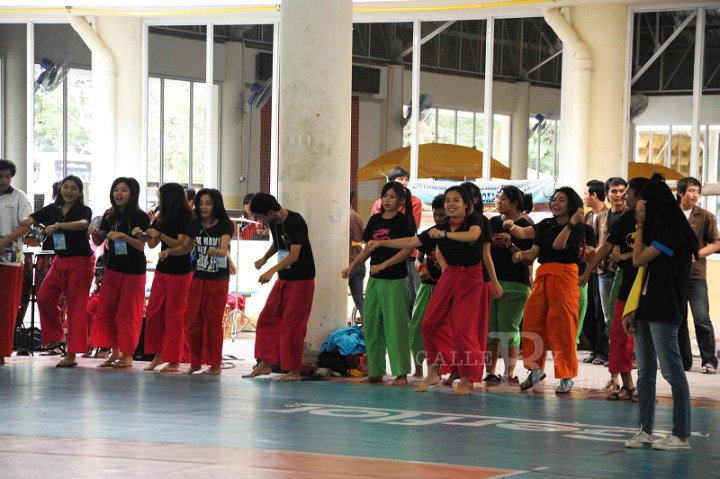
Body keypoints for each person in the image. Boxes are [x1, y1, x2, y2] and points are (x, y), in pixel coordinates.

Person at [371, 186, 487, 396]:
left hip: (471, 277)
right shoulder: (441, 226)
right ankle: (434, 370)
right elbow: (412, 242)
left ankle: (467, 377)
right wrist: (382, 243)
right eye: (448, 201)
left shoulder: (474, 220)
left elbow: (473, 236)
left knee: (462, 328)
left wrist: (444, 235)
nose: (450, 204)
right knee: (428, 323)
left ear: (467, 204)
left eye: (456, 200)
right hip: (450, 274)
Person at [623, 177, 697, 451]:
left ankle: (681, 434)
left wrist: (640, 224)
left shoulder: (673, 233)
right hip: (646, 306)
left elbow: (638, 258)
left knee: (671, 370)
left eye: (637, 198)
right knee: (645, 372)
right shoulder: (660, 229)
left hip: (665, 307)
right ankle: (645, 430)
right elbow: (643, 270)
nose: (635, 203)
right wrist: (633, 308)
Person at [580, 177, 649, 400]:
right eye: (617, 191)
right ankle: (626, 384)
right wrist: (587, 271)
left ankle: (647, 386)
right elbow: (605, 247)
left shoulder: (659, 220)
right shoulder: (625, 218)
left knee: (648, 337)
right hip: (625, 280)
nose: (622, 196)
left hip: (651, 284)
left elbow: (656, 250)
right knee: (618, 331)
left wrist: (627, 255)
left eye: (626, 192)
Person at [512, 187, 585, 394]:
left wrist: (571, 223)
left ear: (571, 204)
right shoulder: (544, 225)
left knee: (562, 327)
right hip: (543, 275)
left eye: (561, 200)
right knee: (532, 321)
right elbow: (534, 253)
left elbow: (559, 245)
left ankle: (566, 375)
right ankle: (535, 370)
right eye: (554, 199)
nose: (556, 203)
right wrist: (519, 254)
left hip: (565, 275)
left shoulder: (578, 227)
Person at [342, 182, 413, 385]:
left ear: (401, 201)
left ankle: (401, 373)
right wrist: (352, 265)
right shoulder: (374, 220)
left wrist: (384, 265)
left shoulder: (404, 221)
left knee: (396, 326)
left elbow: (407, 250)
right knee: (372, 325)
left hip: (396, 280)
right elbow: (367, 249)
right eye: (385, 196)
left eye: (392, 196)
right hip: (374, 280)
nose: (388, 200)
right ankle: (375, 371)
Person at [21, 175, 94, 368]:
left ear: (79, 192)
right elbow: (32, 218)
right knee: (44, 297)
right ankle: (55, 337)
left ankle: (72, 353)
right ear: (60, 189)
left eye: (73, 188)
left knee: (77, 307)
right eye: (66, 187)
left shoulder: (83, 210)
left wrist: (59, 226)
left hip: (81, 262)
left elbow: (84, 224)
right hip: (60, 260)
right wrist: (24, 220)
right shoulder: (53, 208)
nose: (69, 191)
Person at [244, 192, 316, 382]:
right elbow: (278, 244)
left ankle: (294, 370)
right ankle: (265, 363)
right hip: (285, 278)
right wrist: (264, 259)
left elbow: (294, 255)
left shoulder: (296, 221)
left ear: (269, 212)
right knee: (267, 317)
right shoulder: (275, 222)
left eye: (259, 216)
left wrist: (270, 270)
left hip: (302, 280)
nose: (259, 221)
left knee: (292, 325)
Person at [161, 188, 233, 375]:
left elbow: (224, 248)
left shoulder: (225, 224)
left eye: (208, 203)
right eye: (201, 203)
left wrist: (218, 251)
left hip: (218, 279)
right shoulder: (194, 223)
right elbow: (184, 247)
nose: (203, 207)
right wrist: (169, 251)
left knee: (213, 321)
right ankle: (195, 361)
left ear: (216, 204)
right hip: (198, 277)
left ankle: (214, 363)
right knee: (192, 320)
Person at [89, 177, 150, 369]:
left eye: (123, 190)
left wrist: (123, 236)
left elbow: (141, 245)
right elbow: (99, 241)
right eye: (116, 189)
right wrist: (93, 231)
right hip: (112, 268)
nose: (119, 193)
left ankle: (128, 354)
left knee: (127, 314)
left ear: (132, 193)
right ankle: (114, 351)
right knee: (107, 311)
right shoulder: (110, 215)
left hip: (133, 271)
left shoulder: (141, 217)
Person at [137, 182, 194, 373]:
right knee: (153, 312)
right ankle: (158, 353)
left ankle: (174, 359)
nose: (158, 200)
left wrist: (160, 234)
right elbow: (152, 244)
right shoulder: (161, 217)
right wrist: (142, 234)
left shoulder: (186, 217)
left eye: (161, 197)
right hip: (162, 269)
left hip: (180, 271)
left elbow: (180, 244)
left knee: (174, 315)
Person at [484, 186, 534, 384]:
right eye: (497, 197)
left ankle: (509, 372)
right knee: (491, 330)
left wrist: (511, 245)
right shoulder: (493, 222)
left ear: (514, 203)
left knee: (508, 330)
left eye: (503, 198)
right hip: (492, 282)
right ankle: (490, 371)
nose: (498, 201)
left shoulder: (526, 225)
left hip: (515, 284)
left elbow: (529, 260)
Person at [676, 177, 720, 373]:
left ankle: (709, 360)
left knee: (702, 318)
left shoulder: (706, 216)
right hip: (674, 275)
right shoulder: (670, 215)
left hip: (696, 276)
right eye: (691, 191)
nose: (695, 195)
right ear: (680, 192)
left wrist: (697, 255)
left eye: (697, 191)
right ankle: (683, 362)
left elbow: (717, 243)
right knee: (678, 320)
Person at [371, 166, 421, 317]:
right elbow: (375, 231)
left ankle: (408, 326)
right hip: (382, 255)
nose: (404, 182)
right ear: (391, 182)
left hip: (407, 255)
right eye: (401, 179)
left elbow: (413, 227)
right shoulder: (378, 203)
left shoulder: (415, 202)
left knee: (409, 295)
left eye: (406, 179)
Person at [0, 159, 32, 365]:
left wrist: (5, 240)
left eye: (7, 176)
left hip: (10, 259)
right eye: (0, 176)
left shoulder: (20, 197)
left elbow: (27, 226)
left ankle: (2, 351)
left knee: (6, 306)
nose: (3, 180)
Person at [410, 194, 445, 378]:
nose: (438, 218)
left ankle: (437, 370)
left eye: (442, 215)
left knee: (439, 329)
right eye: (435, 214)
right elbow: (417, 259)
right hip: (426, 287)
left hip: (445, 289)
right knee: (417, 326)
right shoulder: (428, 234)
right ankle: (417, 369)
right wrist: (421, 268)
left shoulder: (453, 235)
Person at [581, 180, 609, 364]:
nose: (584, 196)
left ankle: (603, 351)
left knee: (602, 312)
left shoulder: (610, 215)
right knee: (589, 311)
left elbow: (606, 244)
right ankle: (594, 349)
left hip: (603, 270)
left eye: (586, 193)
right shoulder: (587, 217)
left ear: (593, 195)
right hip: (587, 269)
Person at [347, 189, 365, 323]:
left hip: (348, 263)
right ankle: (368, 330)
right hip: (360, 261)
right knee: (360, 301)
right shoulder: (357, 216)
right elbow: (358, 240)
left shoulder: (343, 216)